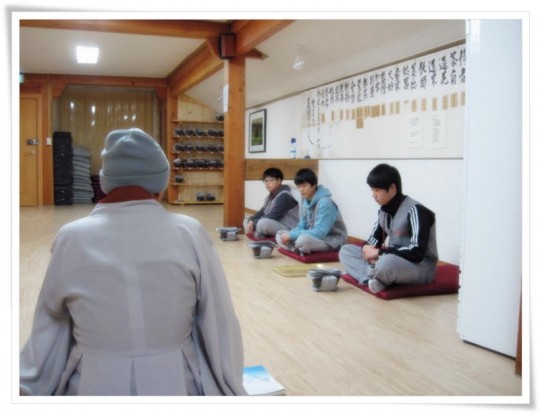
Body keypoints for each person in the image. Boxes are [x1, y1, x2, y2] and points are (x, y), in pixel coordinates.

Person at [19, 128, 246, 396]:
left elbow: (50, 321)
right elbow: (217, 320)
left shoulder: (71, 237)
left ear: (107, 182)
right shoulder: (189, 232)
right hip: (177, 382)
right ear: (160, 185)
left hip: (90, 382)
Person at [339, 163, 438, 293]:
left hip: (420, 266)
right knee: (346, 251)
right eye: (372, 190)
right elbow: (373, 242)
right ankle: (372, 280)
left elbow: (417, 252)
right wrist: (366, 249)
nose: (373, 195)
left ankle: (373, 275)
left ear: (392, 188)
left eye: (377, 190)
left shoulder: (417, 211)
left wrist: (379, 253)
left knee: (386, 262)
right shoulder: (383, 212)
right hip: (390, 259)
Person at [276, 168, 347, 254]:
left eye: (304, 186)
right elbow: (301, 226)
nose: (301, 190)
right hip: (313, 237)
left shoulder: (325, 203)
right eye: (299, 186)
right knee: (280, 234)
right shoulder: (306, 200)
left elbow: (320, 232)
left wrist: (291, 236)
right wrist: (289, 235)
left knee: (302, 241)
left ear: (313, 185)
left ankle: (296, 247)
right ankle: (296, 249)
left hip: (331, 240)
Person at [243, 167, 299, 238]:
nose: (267, 183)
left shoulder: (284, 195)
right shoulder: (269, 196)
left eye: (271, 180)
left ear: (279, 181)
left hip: (288, 227)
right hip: (276, 223)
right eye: (266, 181)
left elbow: (273, 215)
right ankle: (261, 232)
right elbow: (262, 212)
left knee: (262, 223)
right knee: (246, 220)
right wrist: (251, 220)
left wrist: (254, 223)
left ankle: (260, 232)